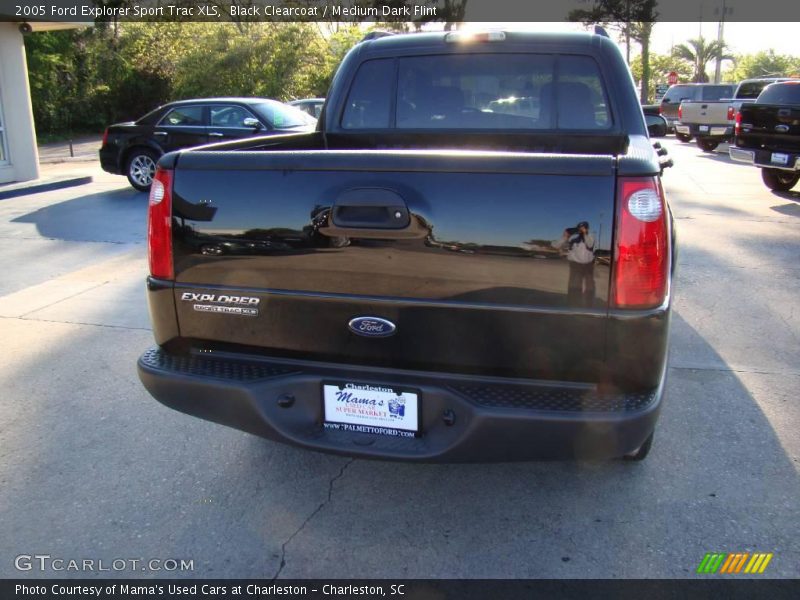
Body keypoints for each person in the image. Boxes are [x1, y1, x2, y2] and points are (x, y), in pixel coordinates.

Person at [553, 221, 595, 307]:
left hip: (589, 265)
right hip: (575, 265)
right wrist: (565, 236)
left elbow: (590, 244)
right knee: (574, 287)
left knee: (590, 288)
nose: (582, 229)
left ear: (587, 228)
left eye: (584, 227)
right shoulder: (573, 238)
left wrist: (585, 233)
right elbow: (556, 246)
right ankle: (572, 306)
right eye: (580, 228)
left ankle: (589, 306)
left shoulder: (591, 236)